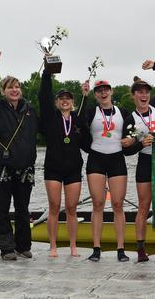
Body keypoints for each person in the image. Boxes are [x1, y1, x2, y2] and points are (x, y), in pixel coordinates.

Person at [0, 52, 38, 260]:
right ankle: (6, 248)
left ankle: (23, 246)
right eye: (10, 87)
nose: (15, 89)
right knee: (2, 208)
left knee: (23, 209)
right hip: (1, 167)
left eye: (17, 86)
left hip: (24, 169)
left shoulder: (29, 110)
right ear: (3, 91)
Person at [122, 59, 155, 262]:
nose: (144, 95)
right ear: (134, 96)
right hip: (145, 163)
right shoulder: (130, 119)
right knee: (144, 206)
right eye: (140, 92)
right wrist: (140, 144)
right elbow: (126, 151)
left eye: (146, 92)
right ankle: (141, 251)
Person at [38, 66, 91, 257]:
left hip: (73, 169)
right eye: (61, 98)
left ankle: (73, 246)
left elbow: (87, 134)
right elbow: (43, 96)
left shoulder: (77, 119)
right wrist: (47, 72)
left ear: (73, 102)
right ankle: (52, 246)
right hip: (53, 168)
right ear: (56, 102)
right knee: (54, 207)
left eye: (68, 98)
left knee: (71, 208)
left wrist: (87, 94)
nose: (65, 100)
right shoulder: (50, 117)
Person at [84, 78, 135, 262]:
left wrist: (131, 140)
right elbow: (79, 126)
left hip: (116, 159)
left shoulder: (123, 112)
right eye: (99, 91)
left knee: (118, 205)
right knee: (98, 203)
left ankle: (121, 249)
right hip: (96, 158)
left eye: (106, 90)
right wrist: (83, 96)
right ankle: (96, 248)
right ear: (95, 94)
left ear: (111, 92)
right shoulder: (91, 111)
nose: (103, 93)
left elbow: (134, 132)